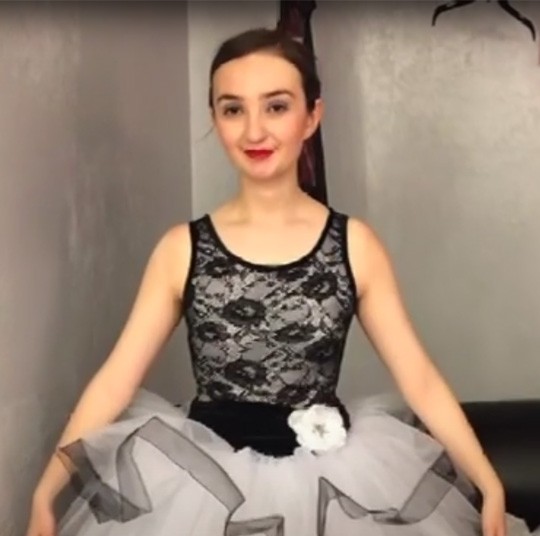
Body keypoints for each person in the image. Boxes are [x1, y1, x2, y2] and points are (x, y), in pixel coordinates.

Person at [26, 27, 532, 536]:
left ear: (312, 115)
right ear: (214, 120)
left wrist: (488, 484)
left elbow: (418, 378)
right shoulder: (180, 249)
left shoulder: (355, 245)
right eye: (232, 109)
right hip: (204, 492)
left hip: (334, 488)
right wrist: (46, 492)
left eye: (276, 106)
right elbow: (116, 380)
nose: (253, 132)